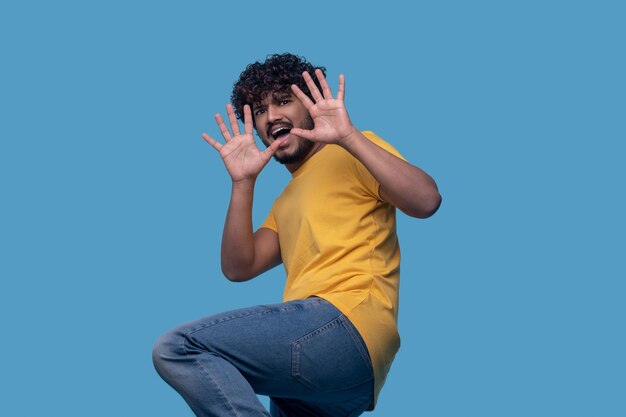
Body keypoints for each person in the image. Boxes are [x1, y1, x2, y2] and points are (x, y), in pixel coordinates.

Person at [152, 53, 441, 417]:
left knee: (180, 347)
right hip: (339, 383)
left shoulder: (354, 151)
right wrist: (243, 183)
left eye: (283, 101)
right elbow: (239, 267)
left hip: (343, 324)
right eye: (259, 110)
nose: (271, 116)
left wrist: (349, 136)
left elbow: (427, 200)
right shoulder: (286, 201)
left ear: (309, 104)